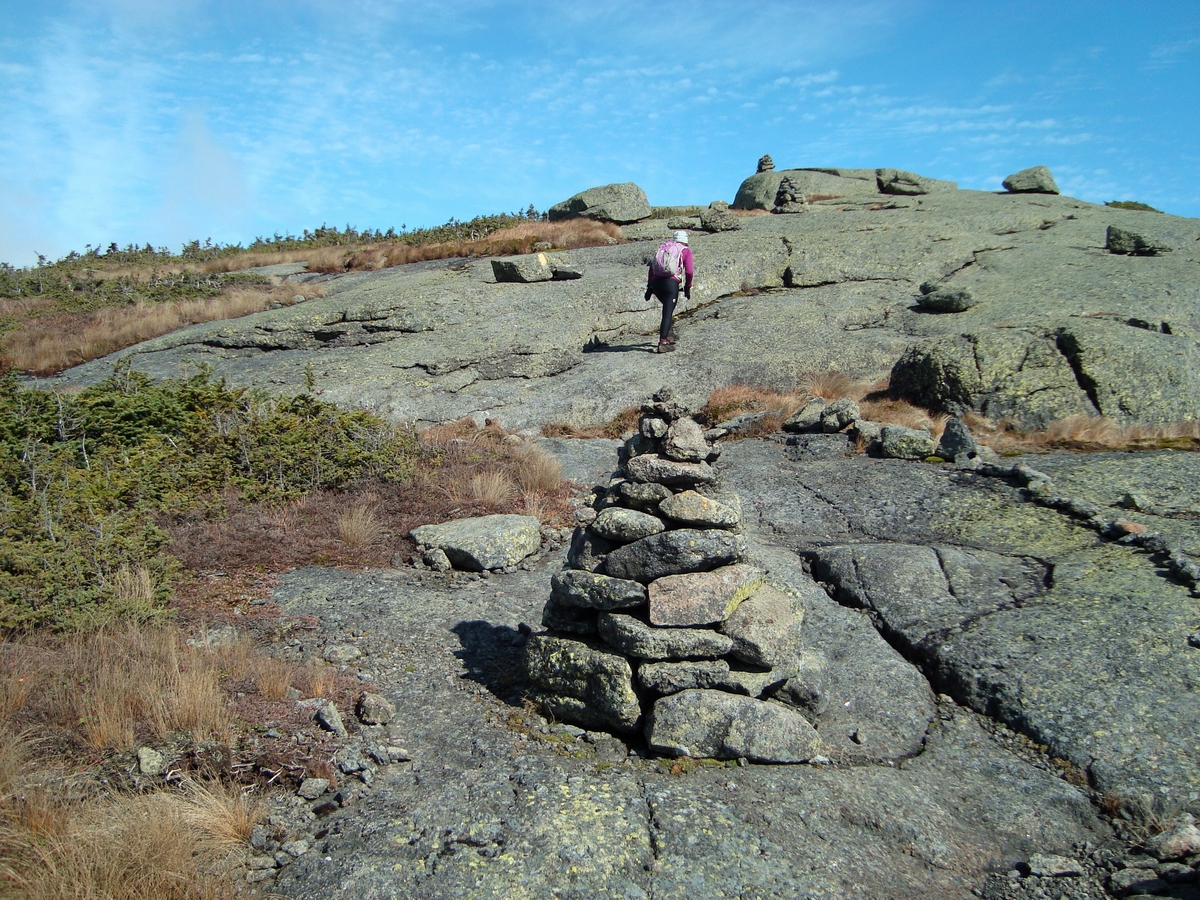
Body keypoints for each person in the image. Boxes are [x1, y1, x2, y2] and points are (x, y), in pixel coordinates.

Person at [645, 230, 693, 353]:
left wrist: (650, 287)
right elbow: (689, 272)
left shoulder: (664, 248)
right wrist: (687, 286)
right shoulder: (685, 250)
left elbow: (651, 268)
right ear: (685, 240)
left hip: (656, 283)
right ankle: (663, 342)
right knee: (667, 311)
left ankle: (669, 334)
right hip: (670, 284)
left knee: (667, 308)